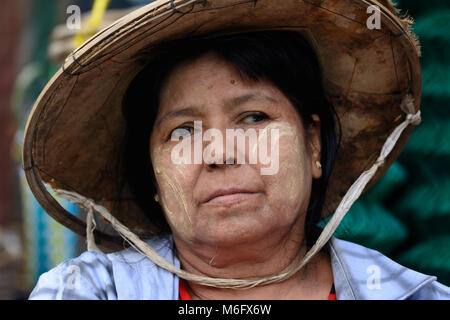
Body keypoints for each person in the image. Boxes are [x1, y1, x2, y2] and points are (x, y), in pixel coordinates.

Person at [24, 0, 450, 299]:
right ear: (152, 176)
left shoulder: (410, 295)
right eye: (183, 131)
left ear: (313, 144)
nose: (219, 153)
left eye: (253, 118)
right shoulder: (88, 293)